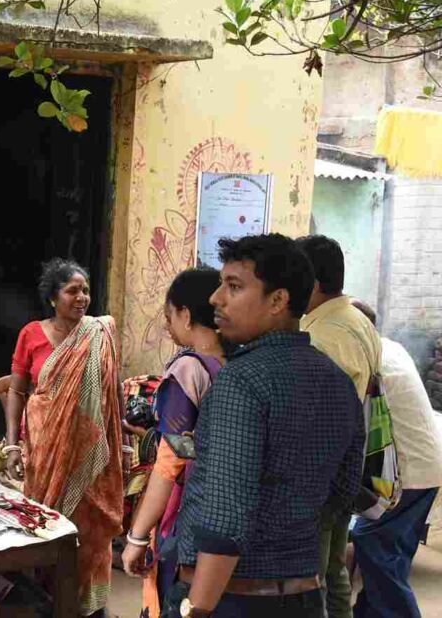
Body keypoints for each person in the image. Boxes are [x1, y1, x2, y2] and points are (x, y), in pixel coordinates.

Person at [169, 234, 364, 618]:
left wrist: (198, 608)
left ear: (278, 301)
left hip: (231, 599)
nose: (215, 299)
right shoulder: (337, 380)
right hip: (303, 598)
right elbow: (343, 492)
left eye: (234, 286)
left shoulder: (241, 382)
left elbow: (226, 516)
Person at [6, 259, 127, 616]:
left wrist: (122, 441)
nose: (82, 298)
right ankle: (47, 601)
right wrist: (13, 444)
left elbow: (112, 390)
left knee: (91, 531)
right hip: (45, 450)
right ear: (53, 297)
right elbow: (16, 391)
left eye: (85, 290)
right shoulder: (31, 334)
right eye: (72, 291)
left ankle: (90, 606)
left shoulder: (100, 333)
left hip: (93, 453)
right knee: (46, 525)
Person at [121, 268, 224, 616]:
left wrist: (136, 537)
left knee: (175, 593)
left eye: (169, 316)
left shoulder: (188, 370)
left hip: (185, 509)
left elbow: (171, 462)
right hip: (225, 510)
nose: (167, 325)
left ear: (187, 314)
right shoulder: (238, 363)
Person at [296, 235, 382, 618]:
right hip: (345, 467)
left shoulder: (322, 337)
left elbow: (316, 416)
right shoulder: (357, 321)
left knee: (311, 573)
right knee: (332, 567)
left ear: (312, 283)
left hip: (320, 472)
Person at [350, 299, 442, 617]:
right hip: (426, 465)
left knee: (370, 540)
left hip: (409, 470)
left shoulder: (370, 356)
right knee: (392, 553)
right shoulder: (390, 347)